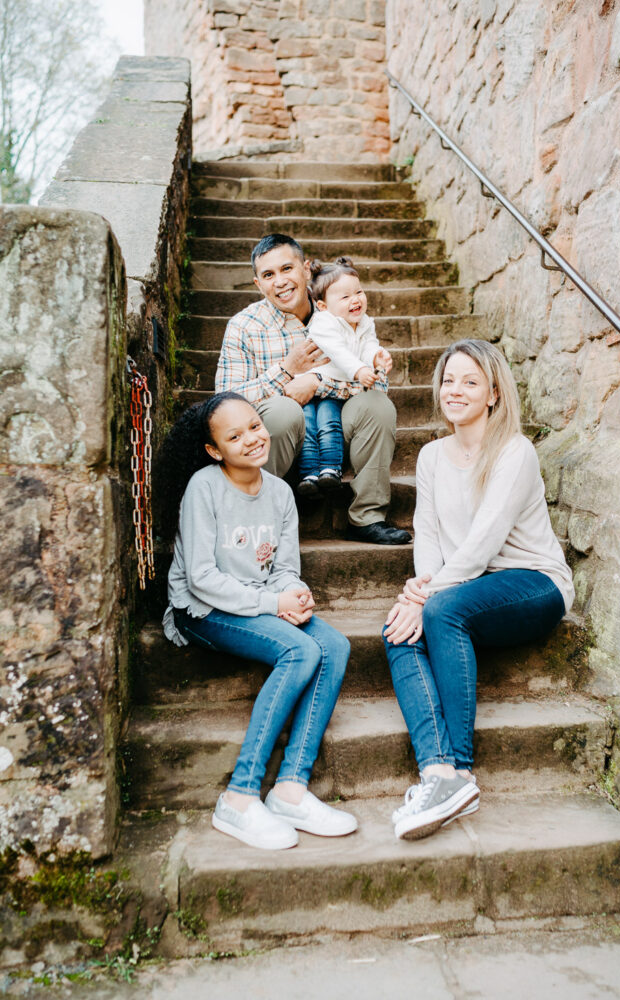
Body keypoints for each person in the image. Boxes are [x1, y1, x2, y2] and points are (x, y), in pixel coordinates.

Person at [383, 340, 574, 841]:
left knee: (441, 612)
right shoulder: (430, 456)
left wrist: (425, 597)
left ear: (492, 393)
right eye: (449, 380)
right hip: (466, 586)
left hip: (533, 583)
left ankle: (462, 769)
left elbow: (484, 543)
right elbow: (427, 532)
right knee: (397, 632)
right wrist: (422, 586)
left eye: (470, 381)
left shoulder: (514, 450)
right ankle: (439, 772)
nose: (456, 390)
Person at [160, 391, 358, 850]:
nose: (251, 439)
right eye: (234, 436)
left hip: (259, 603)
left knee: (336, 646)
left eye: (254, 425)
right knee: (300, 649)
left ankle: (290, 789)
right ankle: (241, 795)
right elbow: (202, 579)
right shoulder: (204, 487)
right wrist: (273, 605)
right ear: (215, 450)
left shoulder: (281, 492)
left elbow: (285, 567)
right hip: (203, 610)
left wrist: (294, 593)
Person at [215, 233, 410, 546]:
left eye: (287, 269)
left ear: (305, 269)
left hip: (335, 437)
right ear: (257, 284)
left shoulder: (341, 308)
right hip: (278, 443)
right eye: (268, 275)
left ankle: (367, 517)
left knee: (377, 404)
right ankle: (262, 520)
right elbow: (224, 405)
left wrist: (319, 382)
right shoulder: (245, 326)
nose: (280, 282)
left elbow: (378, 382)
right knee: (283, 410)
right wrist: (286, 372)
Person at [295, 256, 393, 497]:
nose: (355, 300)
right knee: (308, 424)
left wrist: (375, 358)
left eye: (358, 292)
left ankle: (330, 468)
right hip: (314, 385)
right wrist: (359, 370)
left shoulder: (365, 323)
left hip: (333, 390)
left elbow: (369, 344)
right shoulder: (323, 323)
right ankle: (308, 472)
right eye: (345, 297)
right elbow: (337, 352)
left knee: (329, 421)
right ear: (323, 306)